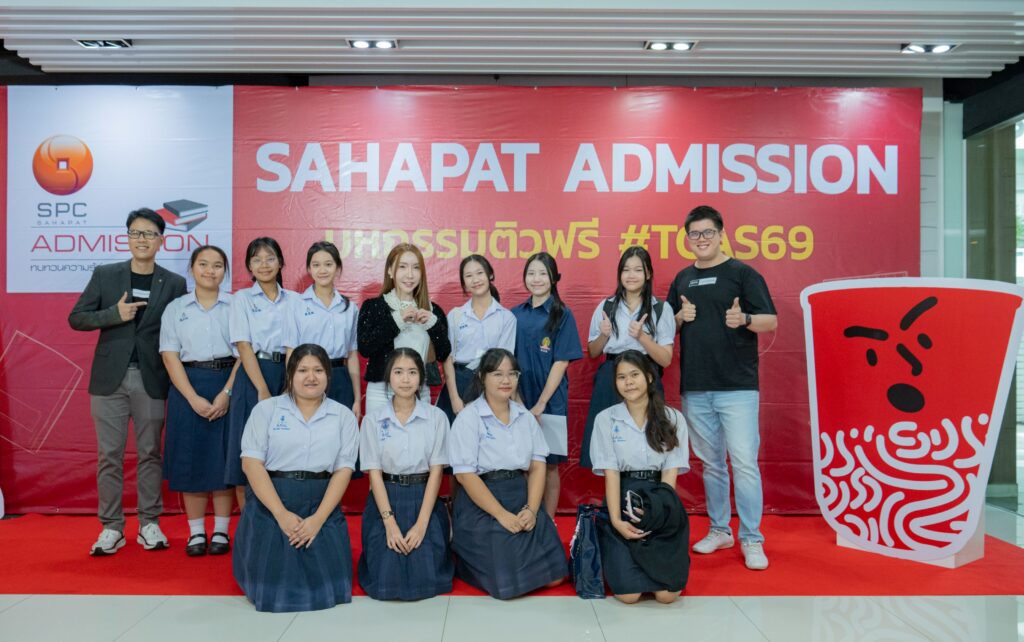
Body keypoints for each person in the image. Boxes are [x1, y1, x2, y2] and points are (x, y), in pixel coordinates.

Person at [68, 207, 187, 556]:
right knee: (109, 455)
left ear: (161, 240)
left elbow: (180, 330)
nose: (142, 239)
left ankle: (149, 523)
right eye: (135, 233)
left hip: (152, 377)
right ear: (127, 237)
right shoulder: (106, 275)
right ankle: (111, 527)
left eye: (149, 234)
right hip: (109, 379)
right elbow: (77, 318)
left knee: (150, 453)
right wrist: (113, 314)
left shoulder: (174, 283)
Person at [666, 205, 777, 571]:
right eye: (695, 234)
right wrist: (679, 318)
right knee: (712, 464)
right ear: (688, 238)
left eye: (708, 232)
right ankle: (720, 529)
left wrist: (744, 318)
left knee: (744, 463)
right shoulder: (682, 279)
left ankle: (752, 537)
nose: (701, 239)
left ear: (721, 234)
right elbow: (666, 328)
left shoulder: (743, 274)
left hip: (737, 386)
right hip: (696, 386)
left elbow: (770, 320)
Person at [233, 343, 358, 612]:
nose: (311, 377)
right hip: (273, 501)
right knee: (273, 588)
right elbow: (251, 465)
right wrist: (281, 514)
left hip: (320, 502)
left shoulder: (343, 416)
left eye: (318, 370)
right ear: (290, 374)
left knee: (330, 587)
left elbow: (343, 471)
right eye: (302, 370)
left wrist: (318, 520)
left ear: (328, 375)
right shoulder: (266, 410)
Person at [447, 348, 566, 599]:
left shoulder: (525, 417)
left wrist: (531, 510)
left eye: (512, 374)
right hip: (482, 501)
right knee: (508, 586)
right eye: (497, 374)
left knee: (556, 577)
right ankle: (466, 561)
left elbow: (537, 467)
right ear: (482, 377)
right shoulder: (469, 417)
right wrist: (501, 514)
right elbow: (465, 476)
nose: (506, 380)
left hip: (520, 494)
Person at [589, 351, 690, 604]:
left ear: (649, 377)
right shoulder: (605, 419)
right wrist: (616, 521)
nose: (628, 382)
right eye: (621, 377)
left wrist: (659, 513)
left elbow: (670, 473)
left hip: (661, 500)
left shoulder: (673, 418)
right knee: (628, 596)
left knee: (668, 595)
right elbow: (611, 474)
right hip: (623, 497)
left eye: (634, 375)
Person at [159, 245, 241, 556]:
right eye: (203, 264)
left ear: (225, 271)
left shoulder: (236, 306)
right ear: (192, 268)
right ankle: (195, 532)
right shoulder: (176, 308)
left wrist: (227, 393)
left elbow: (245, 353)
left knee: (223, 460)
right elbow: (170, 356)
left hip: (228, 382)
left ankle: (221, 530)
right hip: (187, 385)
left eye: (217, 265)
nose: (210, 271)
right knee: (190, 461)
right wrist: (192, 397)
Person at [357, 347, 454, 601]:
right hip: (386, 499)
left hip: (424, 498)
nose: (405, 379)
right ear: (389, 376)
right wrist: (389, 524)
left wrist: (421, 525)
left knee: (425, 574)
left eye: (412, 372)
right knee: (385, 577)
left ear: (421, 377)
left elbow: (436, 473)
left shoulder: (436, 418)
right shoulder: (372, 420)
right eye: (398, 372)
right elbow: (374, 475)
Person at [579, 246, 675, 469]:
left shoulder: (661, 309)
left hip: (646, 375)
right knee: (608, 440)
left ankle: (645, 487)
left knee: (648, 439)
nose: (631, 275)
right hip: (611, 375)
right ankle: (613, 489)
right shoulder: (606, 306)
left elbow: (666, 359)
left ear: (648, 274)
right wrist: (604, 335)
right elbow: (593, 352)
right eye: (626, 270)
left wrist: (642, 337)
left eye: (638, 270)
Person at [511, 252, 583, 517]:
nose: (536, 279)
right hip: (517, 398)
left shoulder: (563, 314)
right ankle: (525, 519)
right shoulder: (514, 315)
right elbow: (507, 361)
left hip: (551, 401)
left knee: (550, 464)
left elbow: (561, 362)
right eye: (531, 273)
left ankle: (548, 523)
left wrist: (541, 403)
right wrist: (516, 399)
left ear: (553, 278)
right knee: (521, 463)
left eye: (543, 273)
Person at [225, 237, 295, 508]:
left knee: (284, 448)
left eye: (270, 258)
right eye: (257, 260)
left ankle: (281, 516)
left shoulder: (295, 300)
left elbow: (294, 345)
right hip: (253, 374)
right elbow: (244, 346)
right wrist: (263, 390)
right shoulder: (241, 299)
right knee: (248, 448)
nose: (264, 265)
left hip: (288, 373)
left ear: (281, 263)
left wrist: (290, 384)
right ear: (249, 267)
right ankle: (249, 521)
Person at [358, 243, 450, 413]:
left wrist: (434, 325)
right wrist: (397, 321)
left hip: (420, 391)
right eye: (402, 267)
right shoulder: (373, 306)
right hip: (381, 392)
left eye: (416, 267)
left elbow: (444, 353)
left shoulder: (433, 310)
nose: (410, 274)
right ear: (390, 271)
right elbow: (365, 347)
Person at [284, 241, 361, 420]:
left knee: (340, 431)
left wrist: (357, 398)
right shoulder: (297, 305)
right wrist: (291, 387)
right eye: (316, 265)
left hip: (340, 378)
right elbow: (291, 352)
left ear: (337, 268)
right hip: (308, 377)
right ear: (309, 269)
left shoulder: (349, 308)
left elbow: (352, 355)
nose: (322, 270)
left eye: (328, 264)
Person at [437, 254, 516, 422]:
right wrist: (454, 398)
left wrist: (487, 399)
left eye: (480, 273)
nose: (475, 280)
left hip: (491, 386)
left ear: (490, 275)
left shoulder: (506, 318)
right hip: (458, 383)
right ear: (464, 283)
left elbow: (503, 363)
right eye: (469, 276)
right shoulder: (456, 315)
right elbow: (447, 359)